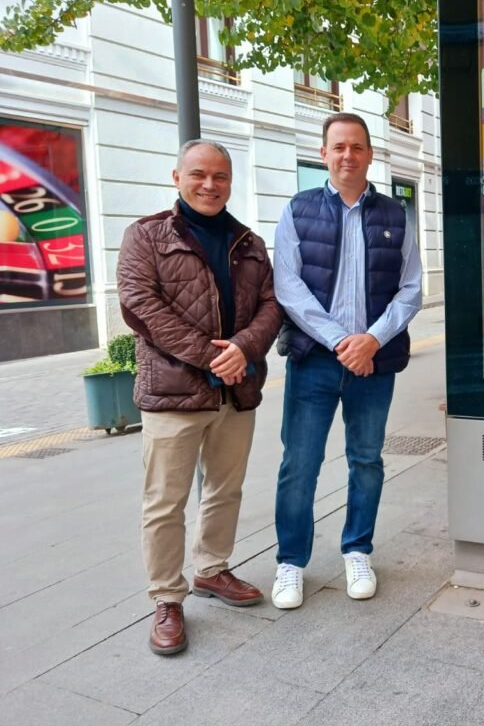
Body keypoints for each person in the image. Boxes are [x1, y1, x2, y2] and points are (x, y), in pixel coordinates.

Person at [117, 140, 282, 655]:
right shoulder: (145, 235)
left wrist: (244, 348)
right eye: (199, 174)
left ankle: (212, 569)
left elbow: (273, 306)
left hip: (236, 393)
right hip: (173, 394)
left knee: (225, 490)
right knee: (165, 502)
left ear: (231, 182)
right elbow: (140, 304)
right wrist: (212, 356)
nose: (210, 185)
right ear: (177, 176)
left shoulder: (249, 243)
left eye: (220, 176)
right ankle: (167, 598)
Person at [272, 112, 422, 608]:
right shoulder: (298, 210)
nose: (347, 156)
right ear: (323, 154)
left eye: (356, 147)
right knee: (300, 463)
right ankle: (290, 562)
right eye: (338, 147)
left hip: (373, 364)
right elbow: (289, 289)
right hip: (315, 360)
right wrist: (343, 341)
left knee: (366, 460)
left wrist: (372, 341)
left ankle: (357, 549)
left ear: (369, 154)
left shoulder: (397, 216)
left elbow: (411, 289)